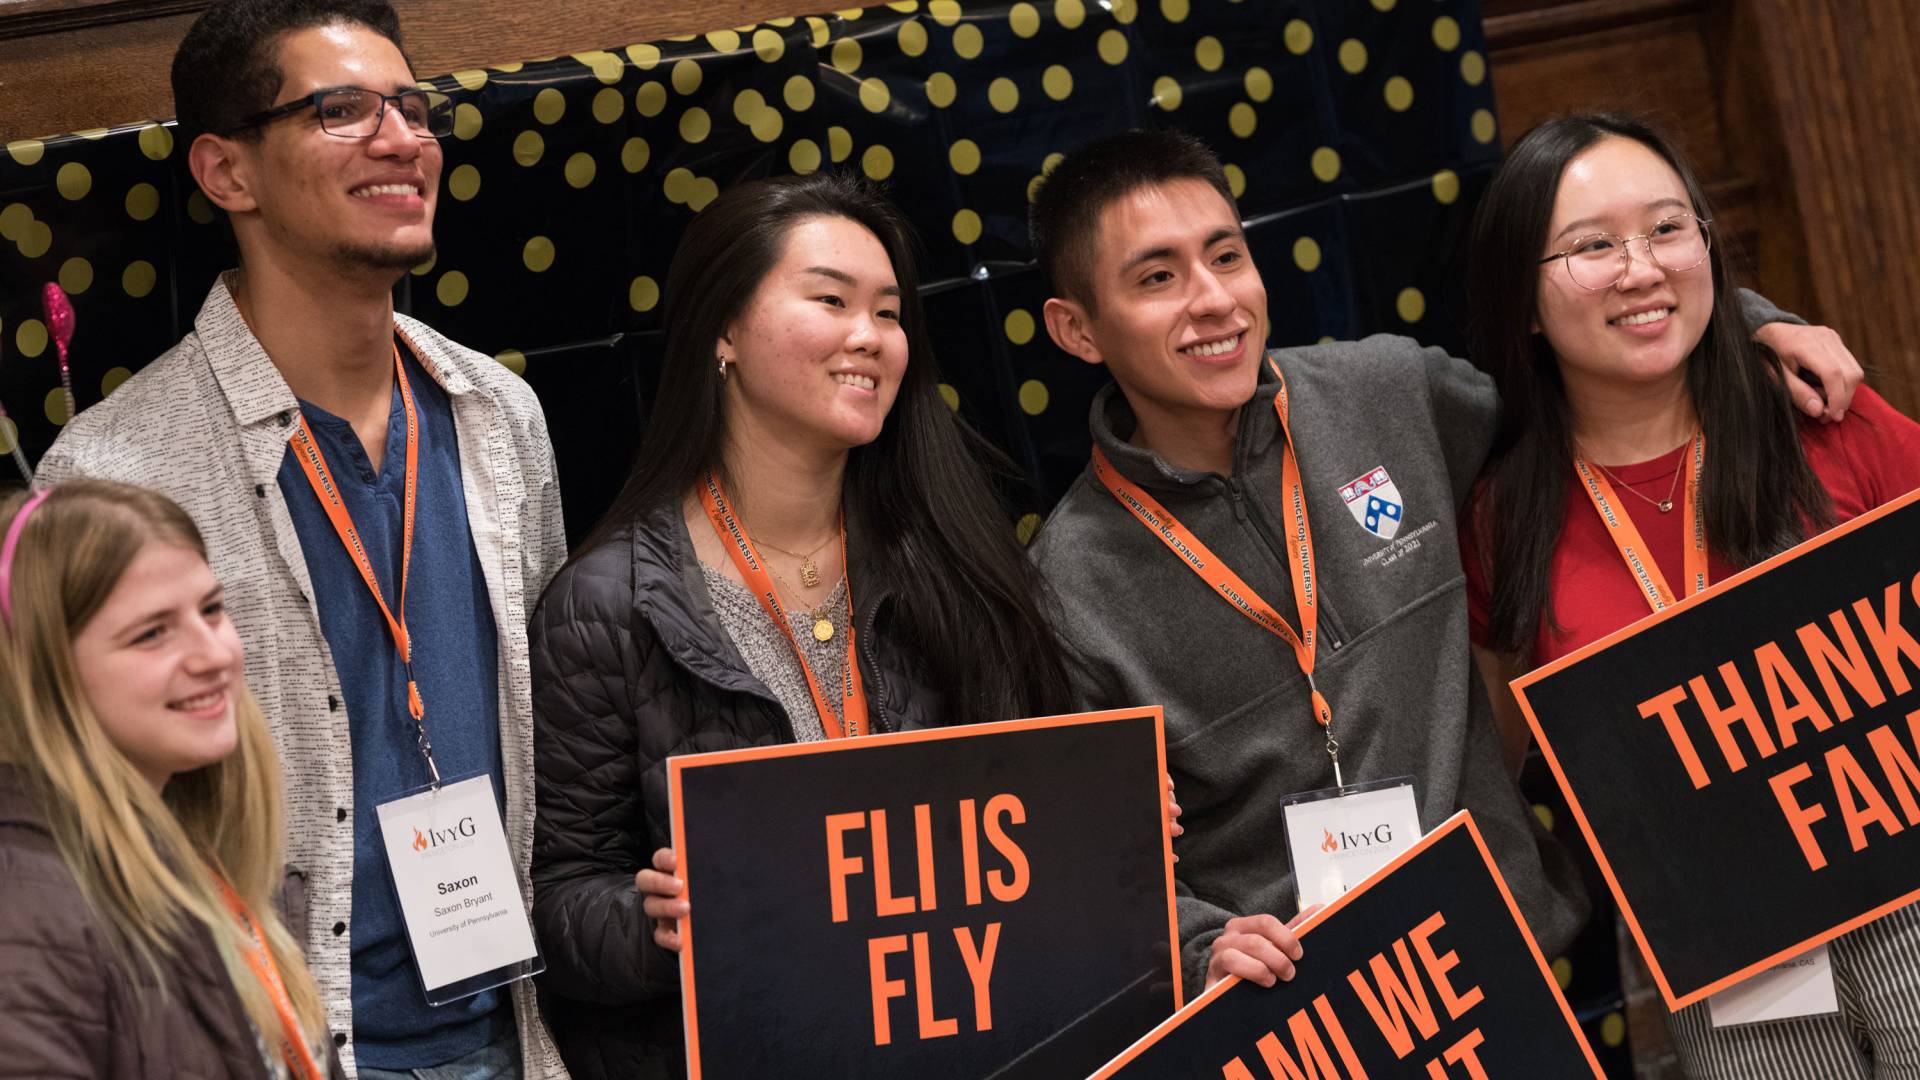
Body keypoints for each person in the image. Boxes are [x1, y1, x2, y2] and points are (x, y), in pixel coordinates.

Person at [1022, 127, 1858, 1000]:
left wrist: (1753, 322)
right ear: (1077, 329)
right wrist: (1201, 950)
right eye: (1157, 277)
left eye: (1227, 256)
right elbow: (1094, 857)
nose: (1213, 300)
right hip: (1313, 1015)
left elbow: (1584, 372)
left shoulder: (1386, 393)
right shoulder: (1068, 583)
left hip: (1509, 954)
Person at [35, 3, 567, 1076]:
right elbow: (86, 833)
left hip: (518, 1028)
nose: (401, 137)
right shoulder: (112, 474)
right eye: (341, 110)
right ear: (227, 173)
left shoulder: (497, 413)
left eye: (413, 106)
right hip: (287, 1042)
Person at [527, 171, 1077, 1078]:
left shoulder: (948, 556)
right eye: (830, 300)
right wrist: (651, 922)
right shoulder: (607, 602)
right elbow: (557, 894)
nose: (870, 337)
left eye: (890, 312)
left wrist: (1096, 819)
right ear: (724, 331)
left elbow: (1026, 780)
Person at [1461, 112, 1920, 1078]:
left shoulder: (1827, 420)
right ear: (1525, 302)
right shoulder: (1506, 518)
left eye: (1669, 229)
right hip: (1728, 954)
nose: (1641, 268)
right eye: (1592, 246)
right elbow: (1519, 750)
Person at [0, 481, 341, 1079]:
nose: (214, 655)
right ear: (43, 673)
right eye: (152, 632)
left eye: (211, 610)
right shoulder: (27, 915)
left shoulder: (189, 851)